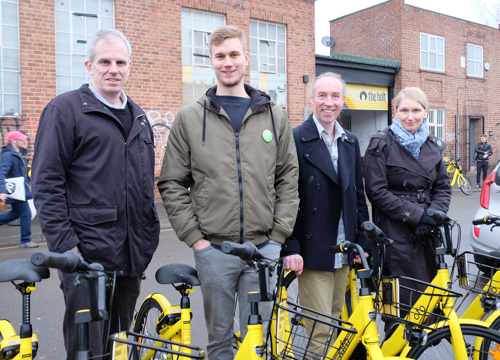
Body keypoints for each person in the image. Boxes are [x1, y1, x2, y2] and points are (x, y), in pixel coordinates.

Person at [157, 25, 299, 360]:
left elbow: (288, 179)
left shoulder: (274, 117)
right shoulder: (190, 118)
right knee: (219, 341)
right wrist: (196, 240)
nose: (228, 62)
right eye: (220, 56)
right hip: (215, 251)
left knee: (260, 340)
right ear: (212, 60)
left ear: (246, 58)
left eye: (234, 54)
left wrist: (278, 237)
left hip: (263, 249)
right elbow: (172, 182)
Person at [31, 29, 160, 359]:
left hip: (129, 258)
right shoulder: (65, 111)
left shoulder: (140, 118)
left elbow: (144, 186)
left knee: (121, 345)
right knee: (88, 349)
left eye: (120, 62)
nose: (113, 69)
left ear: (130, 66)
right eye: (105, 61)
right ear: (89, 65)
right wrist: (67, 248)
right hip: (86, 257)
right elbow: (46, 183)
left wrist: (146, 238)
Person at [282, 72, 370, 353]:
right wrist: (290, 246)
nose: (328, 103)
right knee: (320, 327)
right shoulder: (295, 138)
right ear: (312, 99)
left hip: (343, 247)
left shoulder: (350, 141)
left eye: (335, 96)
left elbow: (357, 193)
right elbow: (283, 197)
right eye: (322, 96)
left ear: (343, 101)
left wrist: (362, 240)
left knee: (336, 322)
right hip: (312, 246)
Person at [363, 87, 451, 330]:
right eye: (404, 110)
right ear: (395, 111)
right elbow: (377, 192)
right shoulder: (380, 143)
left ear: (425, 112)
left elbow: (443, 187)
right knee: (401, 305)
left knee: (431, 299)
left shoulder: (433, 145)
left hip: (428, 232)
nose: (410, 116)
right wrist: (419, 216)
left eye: (416, 110)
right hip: (395, 232)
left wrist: (433, 217)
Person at [0, 131, 37, 248]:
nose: (24, 141)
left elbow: (23, 172)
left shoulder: (20, 153)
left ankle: (25, 240)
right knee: (26, 213)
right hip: (15, 191)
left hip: (21, 190)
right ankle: (25, 240)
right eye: (21, 139)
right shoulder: (8, 155)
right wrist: (2, 191)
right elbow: (2, 173)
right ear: (14, 141)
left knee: (15, 214)